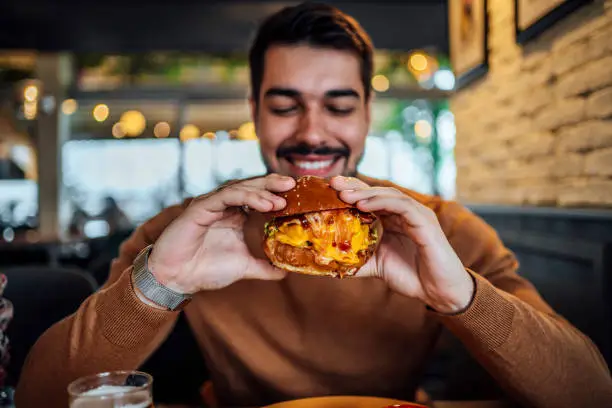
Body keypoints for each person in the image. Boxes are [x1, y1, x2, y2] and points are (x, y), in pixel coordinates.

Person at [16, 3, 612, 408]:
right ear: (254, 110)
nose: (313, 131)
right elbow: (40, 398)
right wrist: (161, 283)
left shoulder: (440, 227)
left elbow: (590, 393)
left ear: (366, 114)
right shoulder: (183, 231)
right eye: (285, 105)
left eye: (338, 104)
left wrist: (459, 295)